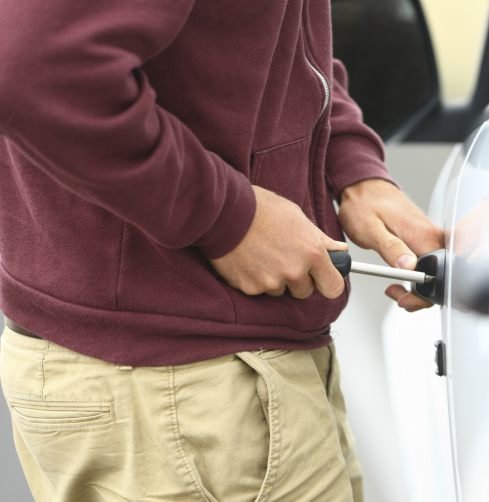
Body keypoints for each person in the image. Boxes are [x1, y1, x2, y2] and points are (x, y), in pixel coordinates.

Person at [0, 1, 442, 500]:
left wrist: (350, 164)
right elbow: (38, 69)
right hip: (188, 390)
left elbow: (276, 41)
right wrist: (229, 217)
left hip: (202, 385)